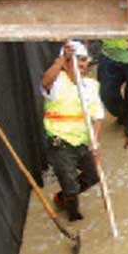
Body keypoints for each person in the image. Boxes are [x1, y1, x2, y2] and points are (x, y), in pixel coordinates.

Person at [42, 40, 104, 221]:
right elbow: (46, 81)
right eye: (78, 60)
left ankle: (61, 198)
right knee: (70, 184)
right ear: (67, 64)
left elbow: (98, 115)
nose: (83, 65)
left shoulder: (91, 86)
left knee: (94, 176)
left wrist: (95, 142)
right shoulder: (57, 82)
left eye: (84, 60)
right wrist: (61, 59)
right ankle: (73, 217)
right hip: (60, 143)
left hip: (82, 141)